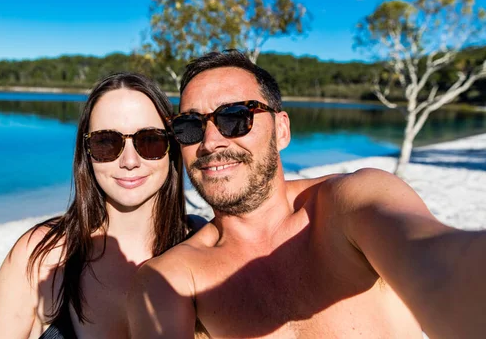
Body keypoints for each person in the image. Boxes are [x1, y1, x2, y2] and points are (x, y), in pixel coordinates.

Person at [128, 50, 486, 339]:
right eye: (190, 126)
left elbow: (438, 261)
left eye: (234, 117)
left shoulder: (352, 203)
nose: (210, 142)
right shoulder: (171, 278)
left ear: (281, 130)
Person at [0, 72, 205, 338]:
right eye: (107, 143)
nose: (129, 161)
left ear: (171, 147)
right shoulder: (40, 255)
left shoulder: (202, 244)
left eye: (149, 140)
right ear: (86, 154)